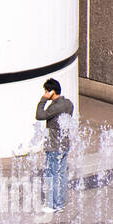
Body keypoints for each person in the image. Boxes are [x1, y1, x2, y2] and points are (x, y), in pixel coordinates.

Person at [35, 77, 74, 216]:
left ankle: (53, 205)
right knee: (61, 174)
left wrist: (43, 100)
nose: (45, 93)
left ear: (52, 91)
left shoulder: (56, 106)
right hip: (64, 144)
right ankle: (60, 204)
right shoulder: (69, 103)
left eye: (47, 91)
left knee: (51, 174)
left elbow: (39, 115)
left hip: (54, 145)